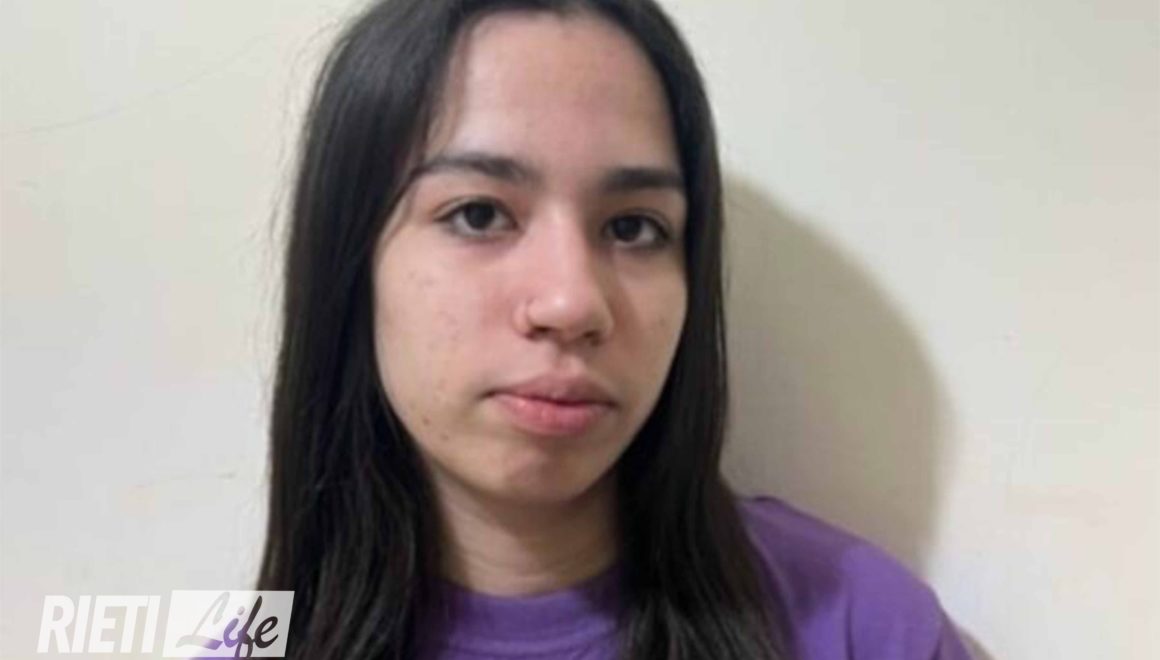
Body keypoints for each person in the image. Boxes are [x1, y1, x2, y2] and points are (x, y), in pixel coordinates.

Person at [256, 1, 973, 658]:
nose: (572, 303)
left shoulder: (865, 626)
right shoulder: (246, 642)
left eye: (633, 228)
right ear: (351, 264)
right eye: (479, 214)